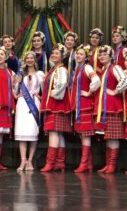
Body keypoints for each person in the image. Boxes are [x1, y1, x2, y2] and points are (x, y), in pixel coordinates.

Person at [94, 45, 127, 174]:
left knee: (113, 136)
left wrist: (115, 91)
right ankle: (109, 163)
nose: (102, 57)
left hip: (112, 106)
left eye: (105, 55)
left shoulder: (115, 68)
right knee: (108, 136)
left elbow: (125, 80)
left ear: (111, 56)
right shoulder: (103, 70)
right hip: (104, 107)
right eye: (100, 55)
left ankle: (112, 164)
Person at [40, 43, 72, 172]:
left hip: (57, 104)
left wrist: (53, 94)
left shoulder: (61, 69)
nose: (53, 55)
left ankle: (50, 162)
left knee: (53, 132)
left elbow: (62, 84)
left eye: (56, 53)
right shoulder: (54, 70)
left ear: (62, 56)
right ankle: (60, 162)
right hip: (54, 103)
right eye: (52, 53)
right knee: (58, 133)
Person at [71, 44, 101, 173]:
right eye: (77, 54)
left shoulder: (87, 67)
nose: (78, 56)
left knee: (86, 134)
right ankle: (88, 163)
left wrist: (89, 92)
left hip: (85, 104)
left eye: (81, 54)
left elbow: (96, 80)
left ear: (86, 56)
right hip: (79, 104)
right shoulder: (78, 68)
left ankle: (84, 163)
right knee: (82, 135)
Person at [14, 51, 45, 171]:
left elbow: (45, 89)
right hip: (22, 104)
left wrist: (41, 97)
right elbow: (14, 88)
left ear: (35, 60)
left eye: (32, 58)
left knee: (32, 133)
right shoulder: (20, 74)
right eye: (27, 58)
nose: (29, 60)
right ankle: (23, 161)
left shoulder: (40, 74)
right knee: (22, 133)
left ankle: (30, 161)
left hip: (34, 104)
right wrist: (16, 95)